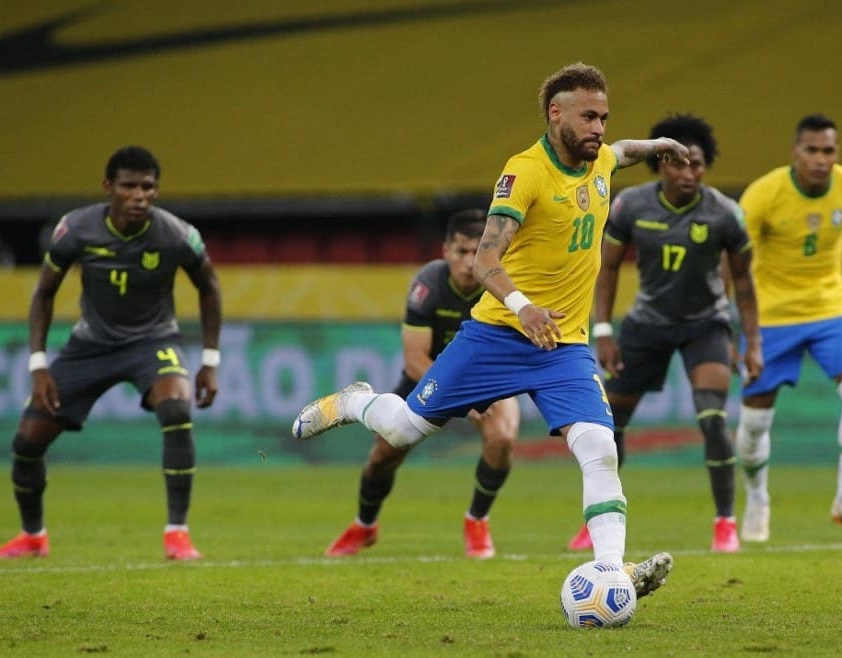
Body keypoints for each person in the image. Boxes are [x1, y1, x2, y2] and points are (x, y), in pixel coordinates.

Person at [293, 62, 690, 599]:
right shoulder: (524, 172)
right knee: (406, 430)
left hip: (564, 345)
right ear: (556, 114)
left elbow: (624, 151)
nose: (599, 127)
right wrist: (524, 306)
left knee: (599, 447)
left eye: (604, 117)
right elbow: (484, 258)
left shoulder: (601, 162)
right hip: (498, 335)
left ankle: (612, 574)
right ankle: (355, 402)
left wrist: (658, 143)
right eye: (589, 117)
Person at [0, 146, 222, 561]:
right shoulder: (76, 230)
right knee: (27, 441)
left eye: (148, 187)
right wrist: (38, 364)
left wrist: (210, 361)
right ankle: (32, 537)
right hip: (91, 345)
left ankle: (178, 535)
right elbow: (44, 293)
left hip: (153, 342)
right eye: (129, 186)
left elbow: (209, 286)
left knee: (176, 409)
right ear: (108, 187)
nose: (139, 195)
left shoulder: (176, 234)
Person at [566, 113, 762, 554]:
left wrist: (752, 343)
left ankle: (725, 523)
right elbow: (608, 267)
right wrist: (602, 330)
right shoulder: (631, 206)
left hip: (705, 325)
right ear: (660, 165)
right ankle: (597, 522)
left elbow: (746, 284)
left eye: (696, 164)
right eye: (677, 163)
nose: (688, 172)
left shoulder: (726, 214)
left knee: (712, 419)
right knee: (607, 424)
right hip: (646, 324)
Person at [326, 209, 521, 559]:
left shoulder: (503, 287)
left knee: (503, 435)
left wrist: (480, 393)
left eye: (476, 252)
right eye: (460, 251)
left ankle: (477, 520)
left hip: (485, 381)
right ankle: (365, 525)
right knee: (382, 456)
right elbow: (415, 361)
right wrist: (460, 397)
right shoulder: (427, 285)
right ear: (445, 250)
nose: (467, 262)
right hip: (428, 376)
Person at [735, 114, 842, 542]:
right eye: (812, 150)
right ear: (795, 152)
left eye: (828, 151)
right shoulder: (763, 195)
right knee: (755, 422)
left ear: (837, 153)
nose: (820, 160)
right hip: (771, 314)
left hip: (828, 306)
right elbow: (736, 262)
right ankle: (758, 497)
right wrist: (740, 324)